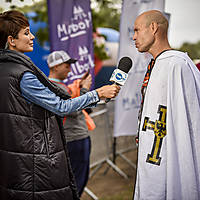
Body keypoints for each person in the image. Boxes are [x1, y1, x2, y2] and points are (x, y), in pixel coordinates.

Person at [0, 10, 120, 200]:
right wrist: (97, 93)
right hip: (31, 157)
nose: (32, 37)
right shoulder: (24, 75)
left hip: (16, 156)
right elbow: (61, 107)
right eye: (26, 33)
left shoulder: (6, 68)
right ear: (11, 40)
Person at [132, 10, 200, 200]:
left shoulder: (177, 64)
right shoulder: (157, 63)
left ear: (153, 28)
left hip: (172, 155)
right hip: (153, 153)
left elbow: (191, 121)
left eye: (137, 30)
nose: (134, 36)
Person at [47, 50, 94, 197]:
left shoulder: (56, 86)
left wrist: (80, 87)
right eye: (66, 65)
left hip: (73, 137)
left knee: (77, 179)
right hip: (74, 139)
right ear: (55, 67)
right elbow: (72, 110)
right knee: (76, 181)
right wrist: (85, 89)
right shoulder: (55, 87)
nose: (70, 68)